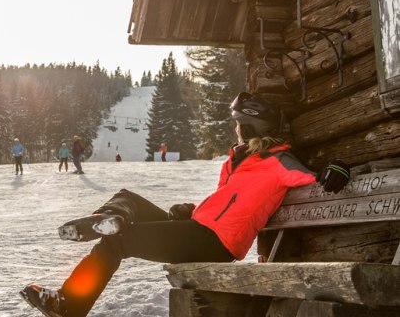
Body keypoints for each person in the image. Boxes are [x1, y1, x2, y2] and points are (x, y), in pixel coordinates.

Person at [21, 92, 352, 316]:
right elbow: (226, 203)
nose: (235, 130)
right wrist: (191, 210)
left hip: (215, 242)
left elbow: (312, 176)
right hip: (199, 228)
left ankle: (70, 303)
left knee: (118, 241)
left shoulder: (279, 162)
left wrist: (338, 166)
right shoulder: (237, 163)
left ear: (251, 126)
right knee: (128, 198)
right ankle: (110, 218)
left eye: (238, 124)